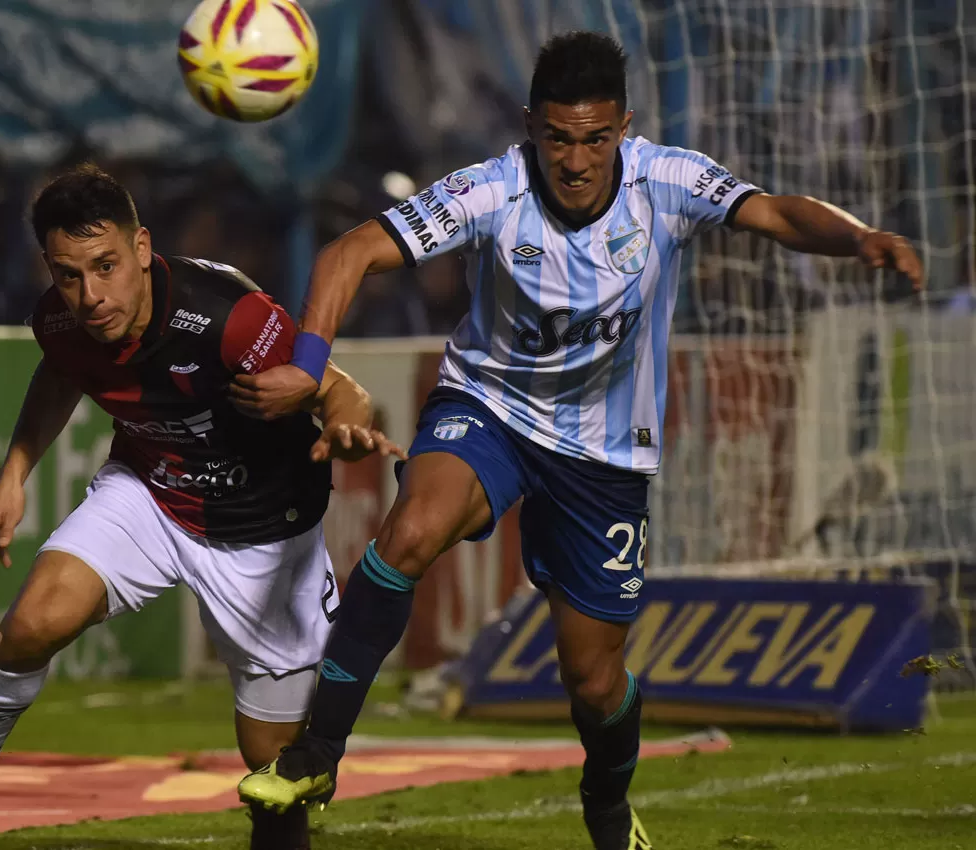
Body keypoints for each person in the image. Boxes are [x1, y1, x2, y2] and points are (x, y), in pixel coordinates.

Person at [233, 31, 924, 850]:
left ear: (623, 130)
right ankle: (318, 752)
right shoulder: (490, 191)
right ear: (532, 127)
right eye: (558, 138)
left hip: (605, 455)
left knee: (593, 679)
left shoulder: (668, 181)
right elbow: (349, 253)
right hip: (488, 409)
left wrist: (857, 238)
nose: (576, 160)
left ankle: (606, 804)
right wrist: (311, 367)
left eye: (596, 139)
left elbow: (772, 213)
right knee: (410, 531)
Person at [0, 164, 403, 850]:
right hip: (151, 495)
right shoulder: (60, 321)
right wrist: (14, 474)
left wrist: (343, 424)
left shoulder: (228, 316)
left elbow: (337, 386)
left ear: (143, 248)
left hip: (265, 538)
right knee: (32, 622)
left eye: (106, 265)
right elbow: (62, 371)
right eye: (68, 274)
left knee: (272, 771)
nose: (91, 295)